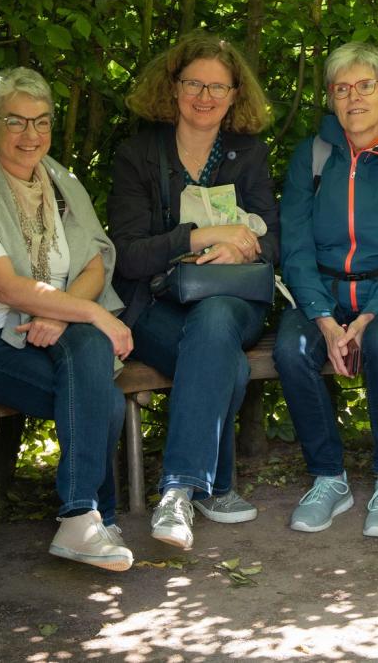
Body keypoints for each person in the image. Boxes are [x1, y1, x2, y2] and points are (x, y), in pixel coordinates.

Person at [0, 67, 135, 571]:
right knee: (100, 398)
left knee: (90, 359)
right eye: (15, 122)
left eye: (41, 122)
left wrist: (65, 317)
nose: (30, 135)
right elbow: (3, 286)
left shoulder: (60, 181)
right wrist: (85, 312)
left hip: (49, 329)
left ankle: (80, 520)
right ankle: (90, 517)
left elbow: (93, 261)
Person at [108, 33, 277, 550]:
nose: (205, 97)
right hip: (156, 306)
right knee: (221, 358)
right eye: (194, 84)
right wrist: (202, 236)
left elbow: (275, 236)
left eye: (218, 88)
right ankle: (211, 487)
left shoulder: (247, 154)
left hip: (232, 299)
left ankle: (177, 489)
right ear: (173, 87)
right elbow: (129, 254)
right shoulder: (138, 154)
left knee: (214, 323)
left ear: (234, 96)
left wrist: (243, 249)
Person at [272, 41, 378, 539]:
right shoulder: (314, 155)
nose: (354, 98)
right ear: (331, 99)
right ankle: (329, 478)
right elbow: (296, 246)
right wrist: (324, 320)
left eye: (366, 86)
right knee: (290, 348)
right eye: (342, 89)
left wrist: (367, 318)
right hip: (323, 289)